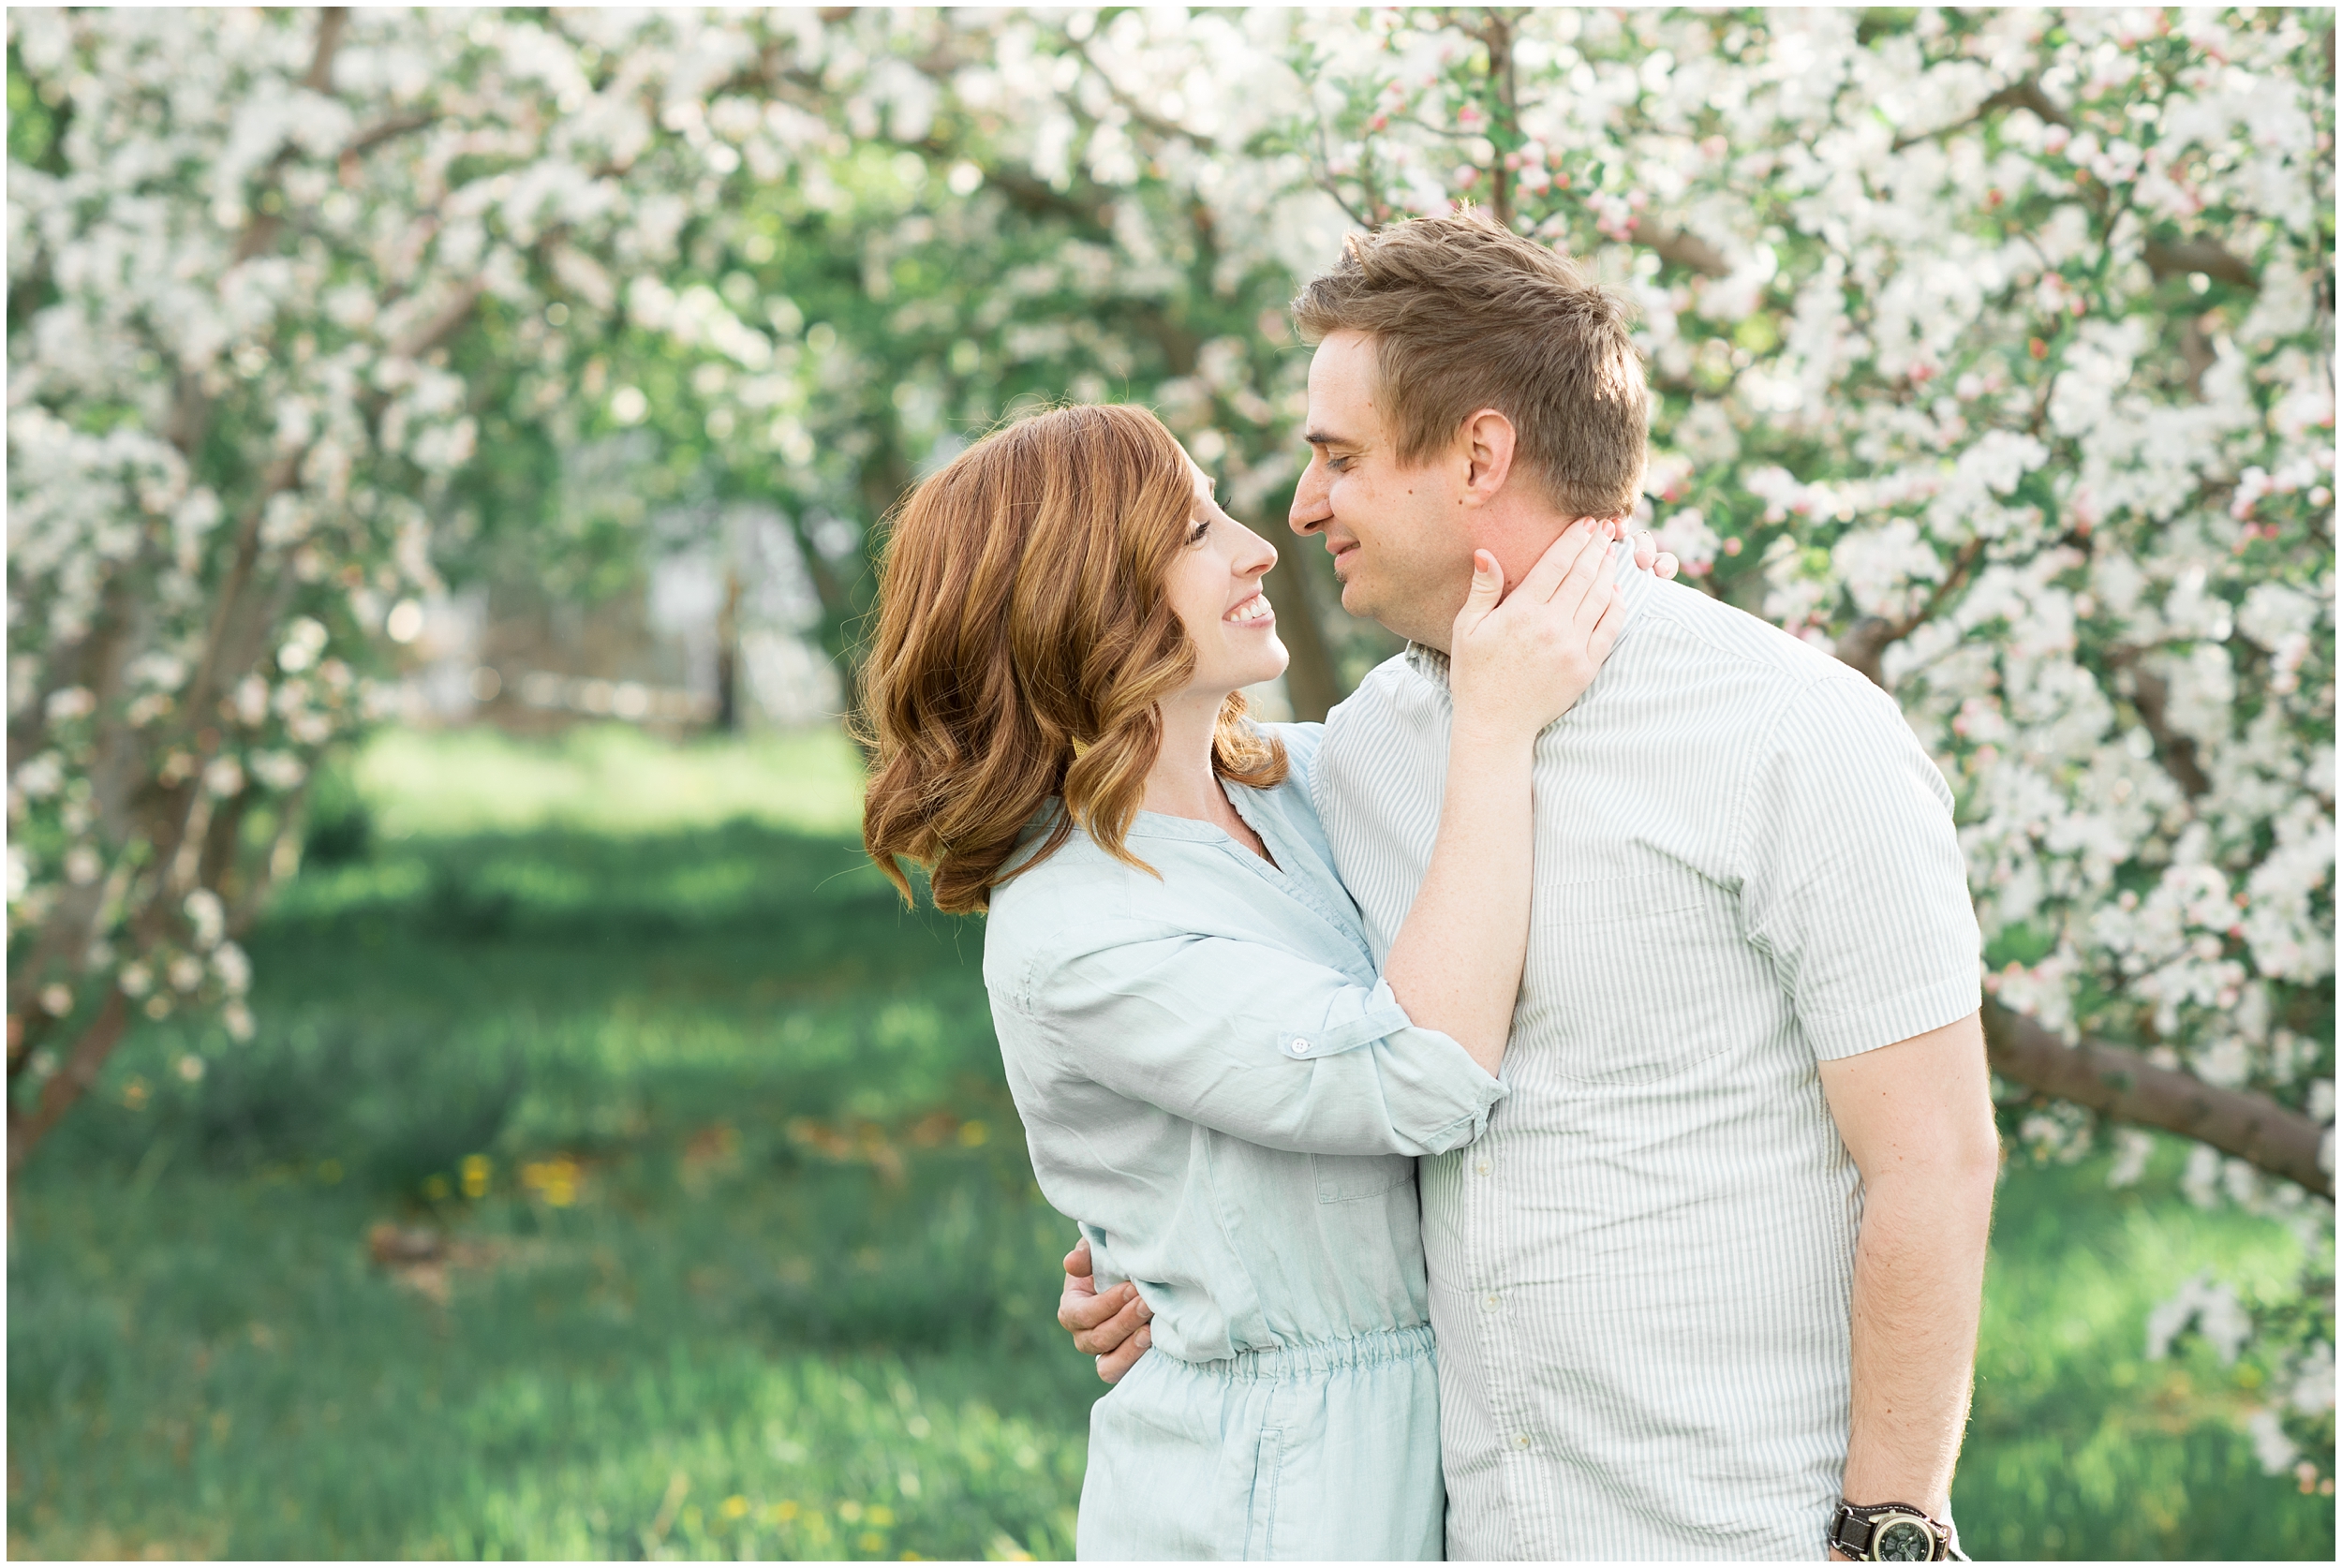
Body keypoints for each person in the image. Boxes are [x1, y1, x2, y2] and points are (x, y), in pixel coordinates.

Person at [1061, 212, 2001, 1562]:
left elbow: (1935, 1158)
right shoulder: (1363, 758)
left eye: (1337, 457)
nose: (1303, 504)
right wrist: (1172, 1258)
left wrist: (1890, 1525)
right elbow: (1319, 1057)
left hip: (1750, 1529)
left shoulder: (1795, 733)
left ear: (1480, 454)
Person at [861, 402, 1671, 1560]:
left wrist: (1580, 584)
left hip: (1447, 1430)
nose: (1255, 546)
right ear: (1078, 597)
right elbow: (1417, 1079)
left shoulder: (1295, 781)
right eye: (1193, 533)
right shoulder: (1075, 930)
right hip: (1276, 1492)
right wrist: (1494, 726)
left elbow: (1509, 736)